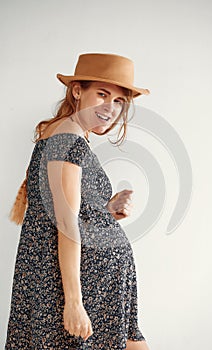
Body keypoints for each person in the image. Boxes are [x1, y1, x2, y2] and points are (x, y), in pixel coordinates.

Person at [5, 53, 151, 349]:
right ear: (76, 90)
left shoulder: (63, 134)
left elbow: (63, 210)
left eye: (119, 101)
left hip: (92, 282)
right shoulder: (68, 138)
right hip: (75, 284)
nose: (110, 108)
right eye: (102, 94)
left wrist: (105, 210)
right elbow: (65, 223)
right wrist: (73, 301)